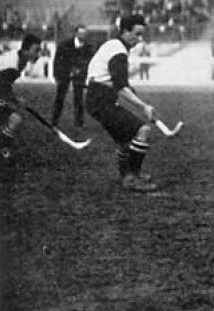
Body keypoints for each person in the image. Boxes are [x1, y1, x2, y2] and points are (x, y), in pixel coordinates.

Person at [85, 14, 159, 193]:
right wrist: (144, 106)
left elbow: (107, 79)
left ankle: (127, 175)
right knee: (143, 131)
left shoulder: (113, 45)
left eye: (142, 35)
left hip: (97, 98)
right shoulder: (119, 52)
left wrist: (125, 88)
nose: (140, 39)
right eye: (137, 34)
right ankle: (132, 177)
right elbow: (120, 87)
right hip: (101, 100)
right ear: (125, 31)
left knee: (125, 140)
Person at [0, 34, 42, 174]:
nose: (38, 54)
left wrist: (13, 98)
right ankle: (4, 149)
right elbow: (3, 86)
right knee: (14, 119)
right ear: (25, 50)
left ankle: (4, 149)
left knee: (14, 119)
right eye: (36, 50)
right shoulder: (13, 64)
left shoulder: (21, 61)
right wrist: (15, 99)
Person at [51, 25, 92, 127]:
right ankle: (54, 121)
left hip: (79, 76)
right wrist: (56, 74)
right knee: (60, 97)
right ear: (76, 33)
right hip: (64, 74)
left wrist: (82, 71)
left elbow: (89, 62)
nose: (82, 35)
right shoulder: (65, 45)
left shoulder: (88, 47)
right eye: (80, 33)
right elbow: (57, 60)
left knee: (78, 99)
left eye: (84, 33)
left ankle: (79, 123)